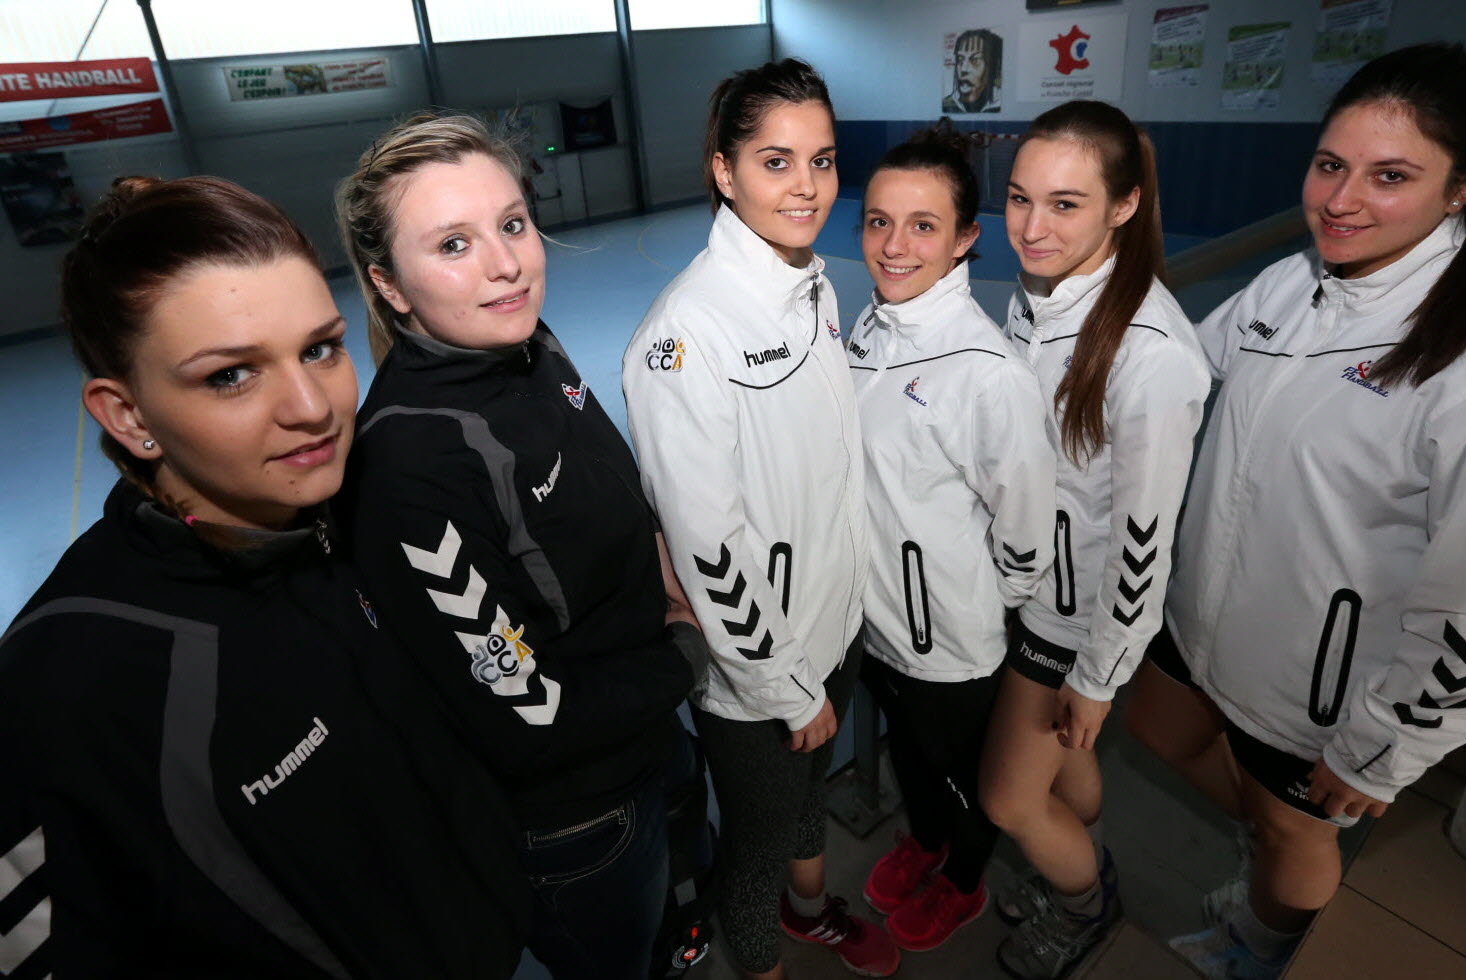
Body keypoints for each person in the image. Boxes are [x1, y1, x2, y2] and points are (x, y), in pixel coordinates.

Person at [0, 176, 531, 977]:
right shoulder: (66, 690)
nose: (311, 408)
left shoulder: (361, 511)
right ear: (129, 415)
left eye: (320, 348)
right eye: (230, 376)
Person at [1129, 42, 1466, 979]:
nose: (1341, 200)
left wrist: (1379, 755)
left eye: (1391, 176)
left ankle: (1258, 945)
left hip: (1326, 683)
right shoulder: (1294, 284)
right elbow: (1179, 373)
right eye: (1329, 165)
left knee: (1288, 832)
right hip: (1204, 617)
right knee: (1158, 728)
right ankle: (1269, 843)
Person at [334, 113, 706, 980]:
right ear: (390, 285)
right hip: (579, 816)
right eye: (454, 244)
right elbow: (527, 713)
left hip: (646, 728)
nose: (507, 263)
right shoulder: (408, 470)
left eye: (511, 224)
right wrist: (689, 653)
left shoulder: (532, 345)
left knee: (675, 904)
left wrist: (658, 568)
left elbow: (609, 483)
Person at [622, 59, 899, 980]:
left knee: (809, 801)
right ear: (723, 169)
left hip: (834, 624)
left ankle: (812, 909)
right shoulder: (684, 335)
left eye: (822, 161)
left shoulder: (812, 284)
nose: (809, 186)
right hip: (762, 672)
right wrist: (784, 684)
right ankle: (763, 962)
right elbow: (707, 541)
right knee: (752, 843)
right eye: (776, 161)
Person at [980, 100, 1211, 980]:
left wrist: (1100, 675)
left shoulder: (1150, 355)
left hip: (1072, 623)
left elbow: (1146, 542)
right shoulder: (1038, 295)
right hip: (1027, 590)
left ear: (1123, 205)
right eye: (1018, 198)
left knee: (1007, 800)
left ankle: (1084, 907)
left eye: (1065, 204)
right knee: (1062, 775)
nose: (1032, 228)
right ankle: (1083, 859)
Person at [848, 127, 1056, 953]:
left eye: (924, 225)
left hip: (953, 640)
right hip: (876, 620)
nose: (895, 246)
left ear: (967, 236)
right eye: (878, 221)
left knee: (964, 777)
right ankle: (925, 840)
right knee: (908, 756)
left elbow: (1026, 528)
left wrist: (973, 607)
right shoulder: (869, 327)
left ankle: (964, 881)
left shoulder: (986, 374)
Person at [943, 29, 1002, 115]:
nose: (963, 69)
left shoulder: (1000, 103)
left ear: (993, 67)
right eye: (960, 60)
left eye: (975, 60)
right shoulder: (948, 105)